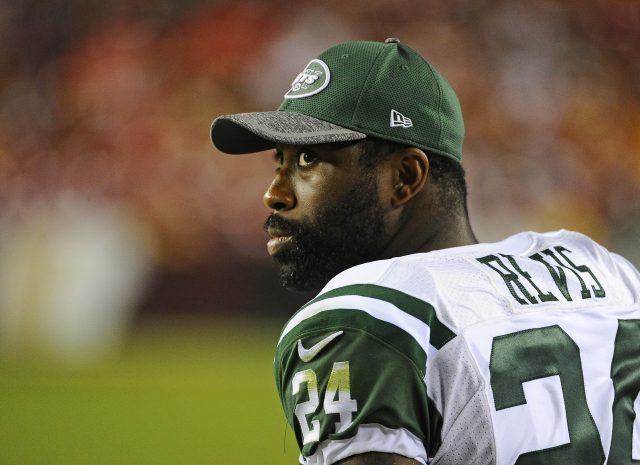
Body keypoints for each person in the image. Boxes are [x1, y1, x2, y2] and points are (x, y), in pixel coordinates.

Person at [210, 39, 640, 465]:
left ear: (405, 176)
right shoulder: (602, 270)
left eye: (307, 159)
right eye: (278, 161)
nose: (275, 194)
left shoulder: (367, 317)